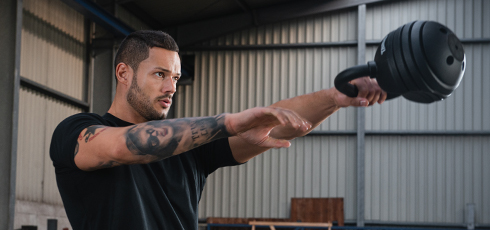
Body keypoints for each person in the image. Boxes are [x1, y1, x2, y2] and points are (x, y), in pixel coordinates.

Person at [50, 30, 386, 229]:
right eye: (160, 74)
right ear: (123, 73)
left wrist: (337, 97)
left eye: (176, 78)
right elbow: (124, 147)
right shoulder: (77, 131)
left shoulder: (193, 146)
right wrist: (228, 122)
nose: (171, 87)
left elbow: (281, 124)